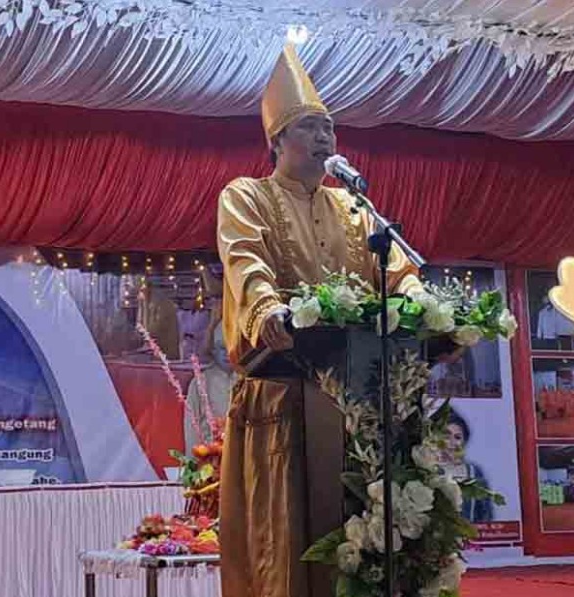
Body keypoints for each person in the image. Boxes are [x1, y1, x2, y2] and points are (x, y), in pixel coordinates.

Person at [217, 44, 422, 597]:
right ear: (277, 141)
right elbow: (245, 260)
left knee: (359, 543)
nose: (324, 137)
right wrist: (266, 309)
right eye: (309, 126)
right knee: (285, 543)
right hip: (282, 398)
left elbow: (398, 274)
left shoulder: (355, 210)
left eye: (329, 127)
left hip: (355, 405)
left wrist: (420, 301)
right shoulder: (247, 196)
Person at [438, 411, 494, 523]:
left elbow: (486, 513)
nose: (452, 442)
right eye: (446, 436)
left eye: (457, 437)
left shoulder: (474, 472)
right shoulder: (428, 469)